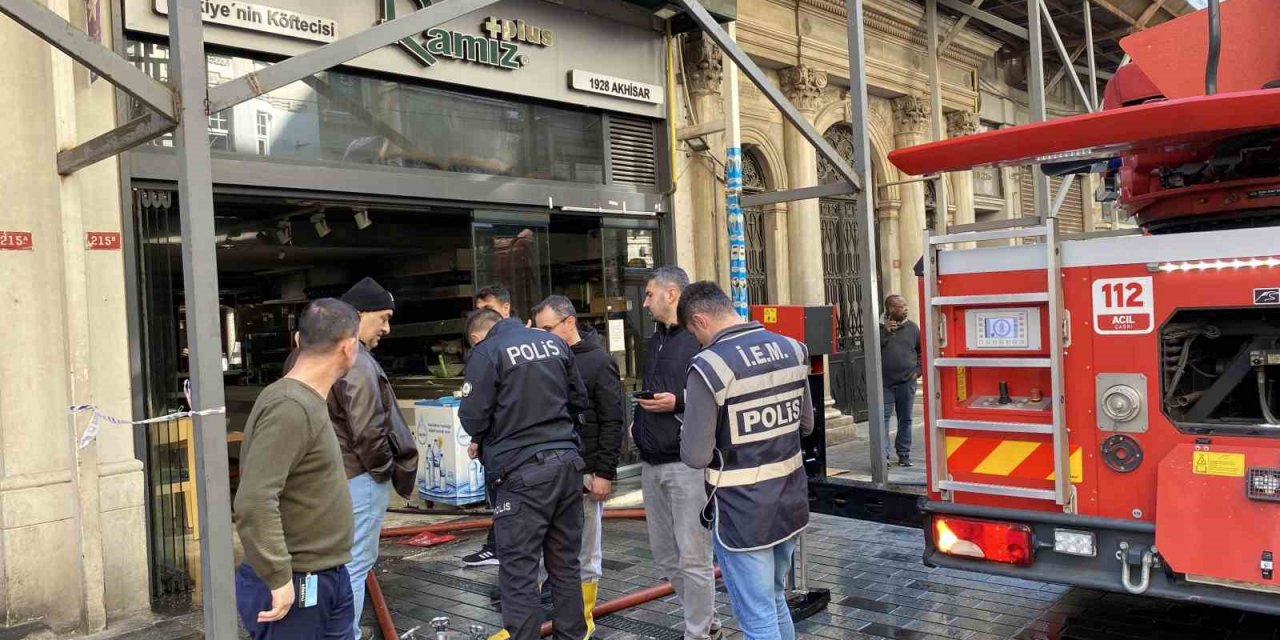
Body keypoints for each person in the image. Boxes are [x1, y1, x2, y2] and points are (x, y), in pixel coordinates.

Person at [677, 281, 814, 640]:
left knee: (756, 617)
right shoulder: (793, 349)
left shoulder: (710, 365)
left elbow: (695, 455)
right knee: (774, 598)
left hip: (742, 511)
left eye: (694, 333)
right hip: (789, 499)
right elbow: (807, 424)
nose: (698, 342)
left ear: (700, 319)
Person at [234, 298, 363, 638]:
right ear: (349, 348)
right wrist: (278, 578)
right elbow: (254, 501)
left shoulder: (304, 400)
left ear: (296, 340)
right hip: (297, 582)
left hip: (325, 575)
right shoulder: (290, 406)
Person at [459, 308, 590, 640]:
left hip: (522, 475)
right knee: (565, 566)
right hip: (567, 464)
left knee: (519, 574)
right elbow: (579, 399)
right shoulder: (554, 344)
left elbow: (473, 418)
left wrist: (494, 437)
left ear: (478, 336)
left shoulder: (487, 353)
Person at [633, 266, 720, 640]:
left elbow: (718, 394)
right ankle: (706, 620)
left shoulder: (698, 337)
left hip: (686, 465)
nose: (645, 301)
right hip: (651, 464)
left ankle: (698, 632)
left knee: (694, 557)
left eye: (650, 293)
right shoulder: (656, 339)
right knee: (666, 556)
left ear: (672, 294)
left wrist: (678, 403)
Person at [532, 295, 625, 637]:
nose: (542, 337)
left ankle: (583, 620)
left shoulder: (599, 362)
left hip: (586, 473)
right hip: (554, 472)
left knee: (586, 550)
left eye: (547, 328)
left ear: (568, 322)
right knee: (548, 549)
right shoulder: (547, 359)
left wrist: (604, 472)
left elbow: (612, 419)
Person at [331, 277, 419, 638]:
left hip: (339, 476)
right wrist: (383, 470)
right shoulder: (357, 362)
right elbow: (368, 430)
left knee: (339, 564)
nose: (387, 327)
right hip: (360, 477)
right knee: (355, 564)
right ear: (359, 314)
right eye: (382, 317)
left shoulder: (329, 355)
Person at [463, 284, 516, 569]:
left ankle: (504, 553)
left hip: (511, 451)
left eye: (489, 309)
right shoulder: (533, 343)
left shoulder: (489, 352)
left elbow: (476, 409)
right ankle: (497, 548)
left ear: (506, 309)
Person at [881, 294, 921, 467]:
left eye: (906, 305)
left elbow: (921, 352)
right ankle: (883, 456)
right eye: (901, 306)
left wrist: (917, 372)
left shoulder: (912, 328)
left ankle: (904, 454)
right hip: (884, 384)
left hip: (907, 382)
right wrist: (885, 333)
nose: (906, 309)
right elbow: (868, 350)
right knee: (882, 420)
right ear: (891, 309)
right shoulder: (878, 329)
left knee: (905, 419)